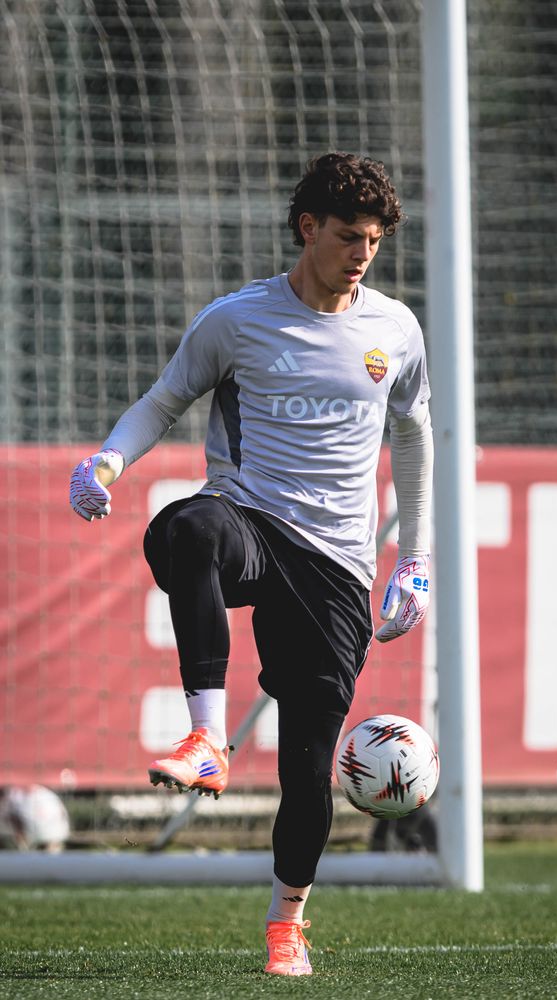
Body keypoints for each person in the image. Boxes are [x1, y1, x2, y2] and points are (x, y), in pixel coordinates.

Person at [69, 152, 433, 976]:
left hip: (337, 567)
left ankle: (285, 923)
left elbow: (414, 431)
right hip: (251, 523)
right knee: (185, 529)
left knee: (311, 767)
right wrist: (107, 463)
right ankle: (206, 735)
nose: (362, 252)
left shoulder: (394, 330)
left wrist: (412, 558)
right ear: (308, 229)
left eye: (374, 239)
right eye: (348, 235)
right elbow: (164, 399)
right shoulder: (235, 320)